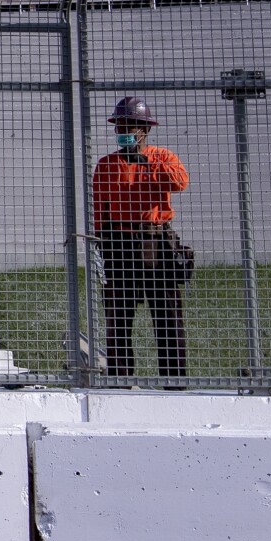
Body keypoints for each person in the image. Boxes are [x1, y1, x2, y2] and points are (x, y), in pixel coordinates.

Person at [91, 96, 190, 380]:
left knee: (167, 315)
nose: (123, 132)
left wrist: (145, 162)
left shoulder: (163, 157)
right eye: (120, 126)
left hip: (156, 242)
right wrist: (101, 244)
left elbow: (180, 181)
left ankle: (174, 381)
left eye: (130, 126)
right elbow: (100, 207)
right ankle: (121, 379)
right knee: (119, 316)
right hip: (120, 244)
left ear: (144, 130)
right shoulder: (107, 165)